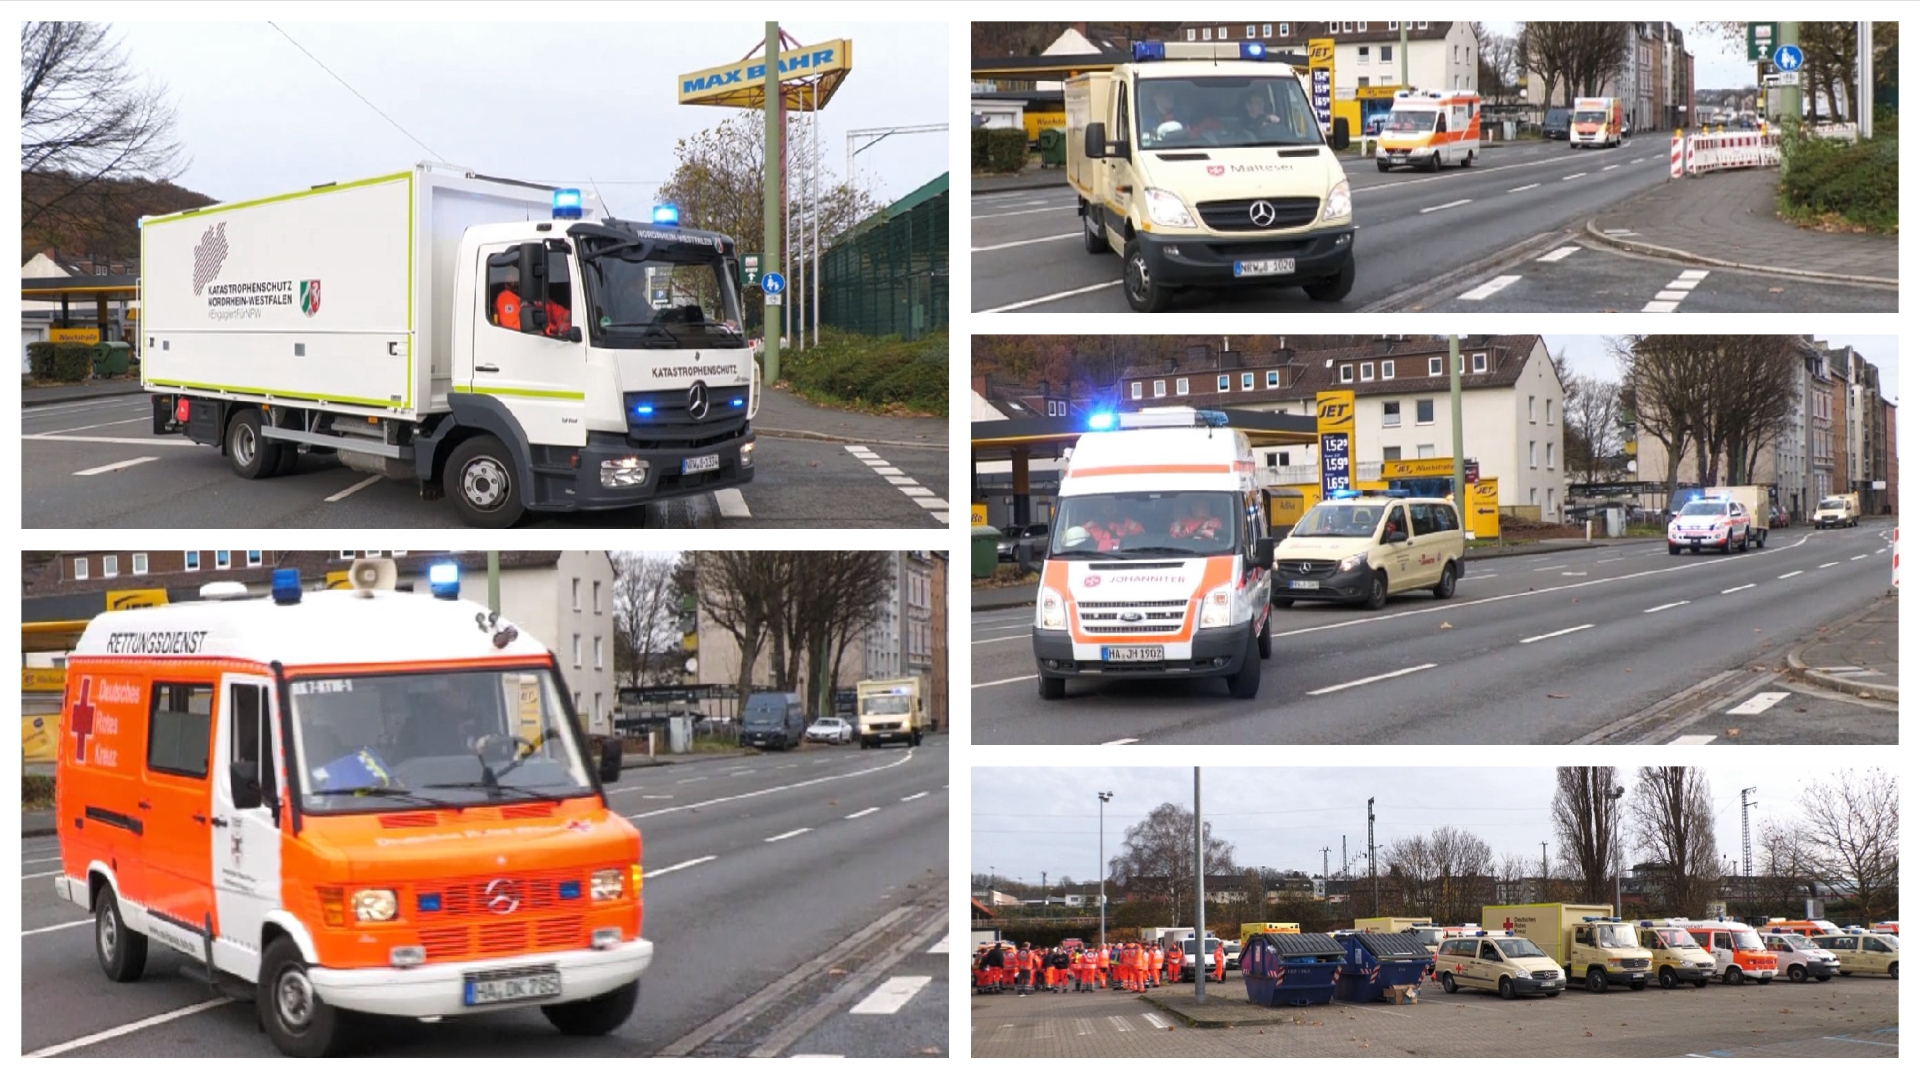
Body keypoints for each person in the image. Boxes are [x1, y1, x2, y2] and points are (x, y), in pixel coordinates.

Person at [492, 265, 571, 337]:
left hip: (554, 340)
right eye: (510, 275)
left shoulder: (537, 295)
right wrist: (554, 330)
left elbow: (561, 313)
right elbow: (516, 326)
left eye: (517, 274)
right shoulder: (505, 297)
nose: (513, 278)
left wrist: (568, 320)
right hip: (531, 343)